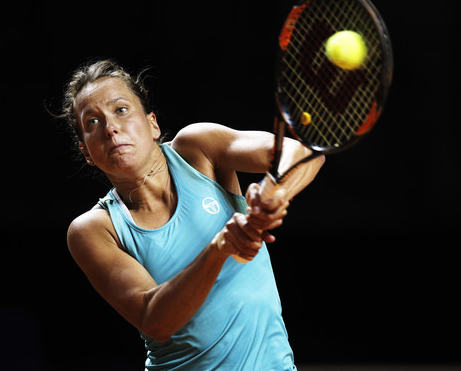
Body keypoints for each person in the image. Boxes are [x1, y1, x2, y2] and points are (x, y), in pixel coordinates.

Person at [62, 59, 324, 370]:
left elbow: (303, 155)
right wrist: (219, 248)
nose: (110, 127)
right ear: (87, 153)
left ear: (153, 124)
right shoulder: (94, 229)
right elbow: (155, 320)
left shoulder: (198, 148)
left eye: (121, 110)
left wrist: (276, 191)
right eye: (92, 122)